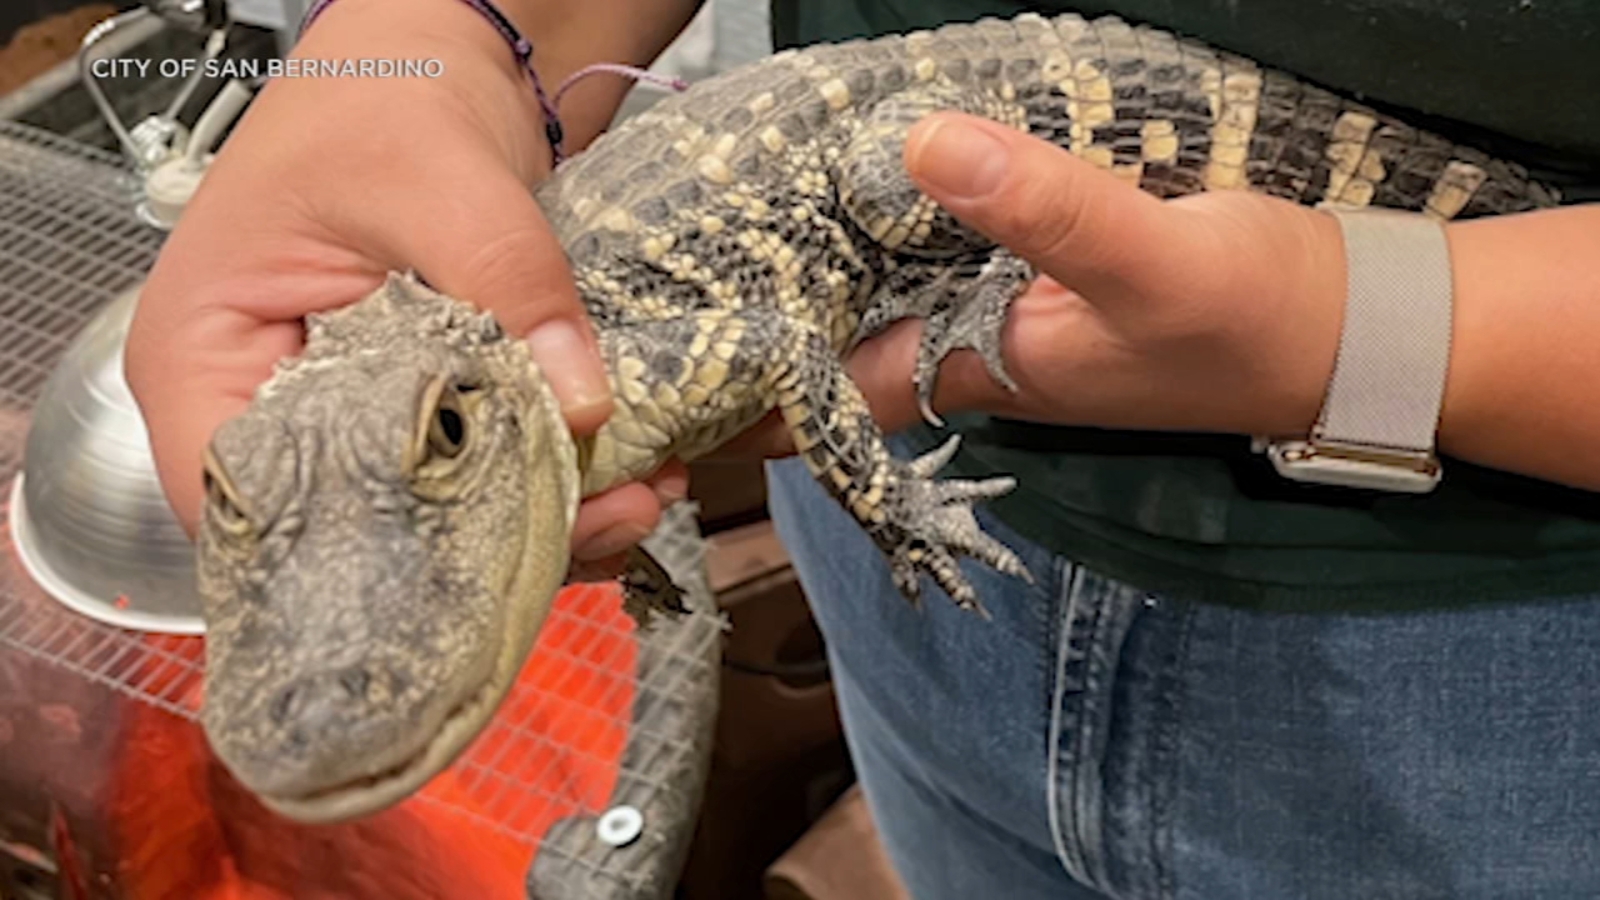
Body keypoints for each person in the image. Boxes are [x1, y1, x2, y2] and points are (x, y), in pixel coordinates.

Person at [125, 0, 1600, 897]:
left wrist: (1381, 327)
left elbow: (772, 350)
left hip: (1502, 657)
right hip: (934, 656)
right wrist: (405, 38)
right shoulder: (460, 393)